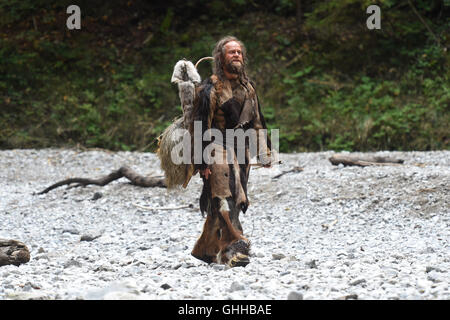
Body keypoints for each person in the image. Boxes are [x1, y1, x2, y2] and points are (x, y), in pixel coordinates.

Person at [188, 36, 275, 267]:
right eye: (231, 52)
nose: (236, 55)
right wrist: (201, 162)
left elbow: (256, 122)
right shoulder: (210, 89)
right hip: (216, 147)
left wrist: (264, 152)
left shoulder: (248, 88)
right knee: (225, 194)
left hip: (241, 149)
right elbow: (200, 127)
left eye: (239, 52)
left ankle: (207, 249)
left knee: (235, 195)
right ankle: (236, 246)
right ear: (220, 58)